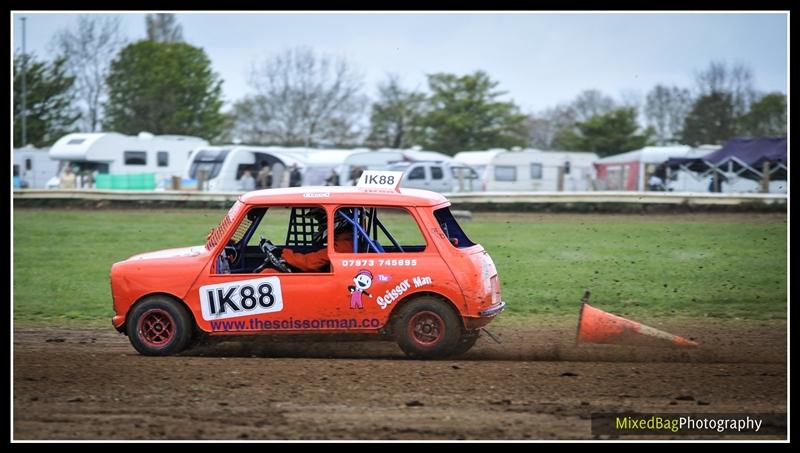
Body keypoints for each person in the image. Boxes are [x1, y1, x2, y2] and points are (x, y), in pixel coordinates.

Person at [267, 208, 354, 273]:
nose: (320, 227)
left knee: (269, 273)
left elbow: (309, 263)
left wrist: (283, 254)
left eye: (322, 222)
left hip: (327, 286)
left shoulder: (344, 246)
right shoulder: (344, 242)